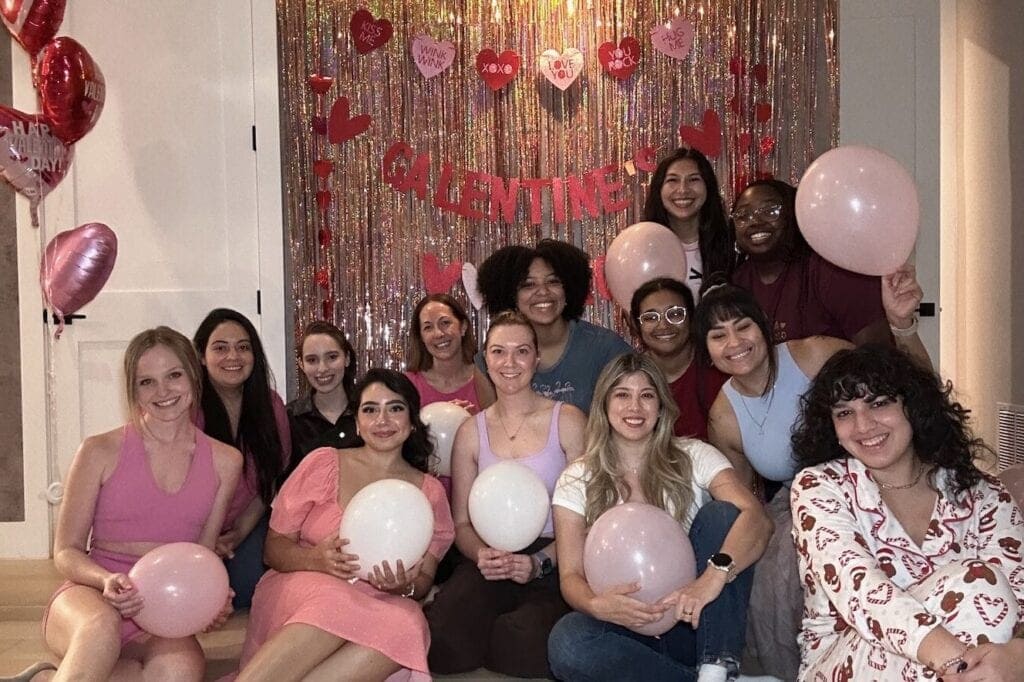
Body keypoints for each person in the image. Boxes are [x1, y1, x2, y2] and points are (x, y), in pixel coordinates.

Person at [697, 269, 927, 679]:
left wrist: (902, 326)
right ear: (708, 350)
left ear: (763, 327)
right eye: (718, 335)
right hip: (794, 500)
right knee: (776, 569)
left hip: (871, 476)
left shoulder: (815, 354)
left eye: (743, 326)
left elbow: (905, 386)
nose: (734, 342)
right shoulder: (723, 415)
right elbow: (747, 503)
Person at [790, 344, 1024, 681]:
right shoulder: (819, 487)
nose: (863, 425)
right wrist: (960, 667)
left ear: (913, 408)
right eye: (844, 413)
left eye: (879, 403)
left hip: (976, 661)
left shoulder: (983, 493)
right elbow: (864, 595)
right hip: (846, 662)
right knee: (976, 581)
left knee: (987, 596)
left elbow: (1018, 593)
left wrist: (1017, 657)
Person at [31, 327, 241, 682]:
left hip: (163, 608)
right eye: (147, 382)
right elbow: (66, 551)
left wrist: (212, 599)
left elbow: (202, 557)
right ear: (133, 389)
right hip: (90, 597)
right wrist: (105, 580)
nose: (163, 391)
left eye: (174, 375)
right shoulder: (98, 450)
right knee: (101, 628)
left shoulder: (226, 461)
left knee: (179, 670)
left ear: (194, 375)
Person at [547, 354, 771, 682]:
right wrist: (597, 605)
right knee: (567, 642)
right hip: (625, 627)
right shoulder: (577, 477)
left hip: (694, 621)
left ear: (661, 405)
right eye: (622, 395)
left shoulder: (696, 455)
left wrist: (712, 578)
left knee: (722, 514)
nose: (635, 407)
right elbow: (570, 576)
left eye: (647, 395)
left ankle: (716, 666)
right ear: (604, 405)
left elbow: (757, 518)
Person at [234, 369, 455, 681]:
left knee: (410, 623)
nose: (382, 420)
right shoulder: (323, 462)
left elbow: (423, 581)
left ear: (412, 421)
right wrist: (315, 559)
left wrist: (402, 586)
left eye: (395, 408)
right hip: (305, 584)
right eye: (370, 410)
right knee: (333, 600)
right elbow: (273, 549)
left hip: (380, 598)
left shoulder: (430, 493)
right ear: (357, 422)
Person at [426, 311, 587, 678]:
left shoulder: (568, 420)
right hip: (491, 556)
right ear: (485, 358)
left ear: (537, 358)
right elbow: (462, 524)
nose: (509, 362)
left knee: (523, 645)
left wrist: (539, 563)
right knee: (443, 644)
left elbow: (587, 517)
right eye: (499, 351)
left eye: (521, 351)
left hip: (555, 554)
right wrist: (481, 555)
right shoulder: (470, 431)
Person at [193, 308, 292, 609]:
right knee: (196, 591)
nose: (233, 356)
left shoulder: (271, 405)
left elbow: (270, 480)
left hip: (245, 522)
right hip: (190, 528)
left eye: (243, 347)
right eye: (220, 348)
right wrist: (207, 541)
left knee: (249, 588)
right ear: (201, 356)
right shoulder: (188, 409)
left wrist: (237, 535)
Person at [476, 238, 632, 413]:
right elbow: (493, 424)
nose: (543, 292)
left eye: (553, 282)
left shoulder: (605, 349)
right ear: (511, 296)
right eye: (528, 285)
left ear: (569, 289)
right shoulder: (492, 359)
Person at [729, 179, 890, 345]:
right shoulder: (737, 282)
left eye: (770, 211)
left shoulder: (831, 271)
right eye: (743, 215)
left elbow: (877, 351)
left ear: (793, 215)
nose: (755, 222)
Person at [629, 277, 728, 440]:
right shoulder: (629, 376)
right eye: (651, 317)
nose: (663, 325)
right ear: (636, 325)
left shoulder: (719, 369)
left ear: (692, 318)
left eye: (675, 314)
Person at [643, 147, 735, 301]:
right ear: (659, 189)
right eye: (672, 180)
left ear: (708, 186)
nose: (683, 190)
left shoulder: (731, 244)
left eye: (693, 179)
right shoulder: (644, 247)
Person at [286, 320, 362, 473]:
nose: (322, 368)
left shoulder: (369, 411)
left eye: (332, 357)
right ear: (301, 364)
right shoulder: (288, 418)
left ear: (347, 358)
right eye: (312, 360)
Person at [406, 292, 495, 413]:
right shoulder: (408, 385)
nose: (438, 334)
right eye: (428, 327)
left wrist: (476, 420)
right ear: (421, 337)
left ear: (463, 327)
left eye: (445, 323)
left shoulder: (490, 378)